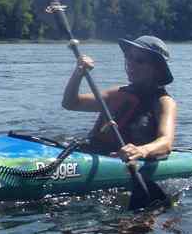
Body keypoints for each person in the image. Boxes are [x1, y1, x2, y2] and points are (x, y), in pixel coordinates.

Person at [61, 35, 177, 163]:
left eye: (139, 60)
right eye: (129, 57)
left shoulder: (164, 102)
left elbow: (165, 142)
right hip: (93, 153)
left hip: (126, 160)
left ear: (157, 69)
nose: (131, 64)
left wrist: (141, 150)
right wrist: (78, 74)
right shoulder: (117, 93)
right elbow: (70, 103)